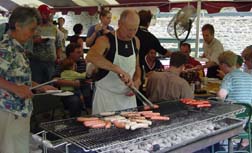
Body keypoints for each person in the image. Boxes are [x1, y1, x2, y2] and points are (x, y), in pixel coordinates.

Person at [0, 6, 56, 153]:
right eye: (31, 29)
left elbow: (18, 78)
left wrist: (40, 86)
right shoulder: (6, 48)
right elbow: (14, 84)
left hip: (20, 110)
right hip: (8, 110)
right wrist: (16, 89)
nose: (34, 33)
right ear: (17, 26)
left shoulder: (19, 49)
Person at [86, 9, 141, 114]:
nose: (131, 34)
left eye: (135, 29)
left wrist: (137, 80)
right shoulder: (105, 40)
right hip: (107, 99)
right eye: (129, 29)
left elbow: (137, 66)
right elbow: (91, 56)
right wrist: (116, 68)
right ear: (119, 23)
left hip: (128, 100)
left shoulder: (136, 41)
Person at [30, 4, 62, 83]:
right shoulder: (33, 27)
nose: (47, 16)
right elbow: (25, 42)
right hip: (36, 62)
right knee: (37, 85)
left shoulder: (54, 28)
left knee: (50, 84)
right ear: (39, 14)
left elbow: (59, 44)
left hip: (50, 63)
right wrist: (35, 41)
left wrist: (58, 57)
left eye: (48, 14)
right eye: (44, 14)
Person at [136, 10, 171, 77]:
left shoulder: (132, 34)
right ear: (148, 23)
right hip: (141, 68)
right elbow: (164, 52)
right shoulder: (151, 38)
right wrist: (176, 54)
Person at [53, 43, 85, 117]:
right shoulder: (63, 63)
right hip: (68, 92)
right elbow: (55, 80)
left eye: (81, 52)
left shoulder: (82, 63)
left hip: (83, 90)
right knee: (75, 100)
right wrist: (72, 83)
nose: (81, 54)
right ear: (70, 54)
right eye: (78, 52)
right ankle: (74, 121)